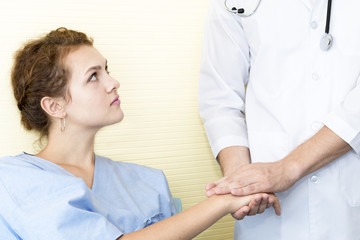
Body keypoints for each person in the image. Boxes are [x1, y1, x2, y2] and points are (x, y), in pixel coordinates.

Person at [0, 27, 280, 240]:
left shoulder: (149, 182)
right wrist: (225, 200)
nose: (113, 82)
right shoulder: (14, 179)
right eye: (93, 76)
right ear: (55, 105)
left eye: (106, 70)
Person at [199, 0, 360, 239]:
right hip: (266, 208)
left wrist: (287, 169)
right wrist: (241, 184)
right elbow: (220, 99)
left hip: (346, 194)